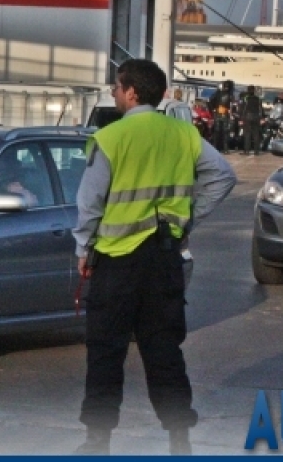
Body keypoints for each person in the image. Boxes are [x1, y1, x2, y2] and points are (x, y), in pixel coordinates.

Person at [73, 59, 237, 456]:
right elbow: (224, 176)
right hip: (164, 260)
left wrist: (83, 248)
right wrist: (189, 216)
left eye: (117, 87)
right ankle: (179, 437)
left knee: (106, 352)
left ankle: (98, 440)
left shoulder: (111, 138)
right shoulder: (184, 134)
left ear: (132, 92)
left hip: (116, 263)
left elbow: (90, 203)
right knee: (164, 350)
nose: (114, 93)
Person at [208, 82, 234, 152]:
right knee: (224, 131)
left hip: (218, 114)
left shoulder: (217, 93)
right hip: (224, 114)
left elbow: (210, 101)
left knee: (217, 131)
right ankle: (224, 148)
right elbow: (231, 105)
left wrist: (213, 109)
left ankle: (217, 147)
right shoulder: (229, 94)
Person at [240, 85, 263, 155]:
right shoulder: (258, 98)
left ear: (248, 90)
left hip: (248, 117)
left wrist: (241, 119)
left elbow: (243, 109)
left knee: (247, 134)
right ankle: (256, 151)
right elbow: (261, 109)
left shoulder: (246, 98)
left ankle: (247, 151)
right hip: (256, 117)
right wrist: (262, 118)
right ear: (254, 91)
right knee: (256, 134)